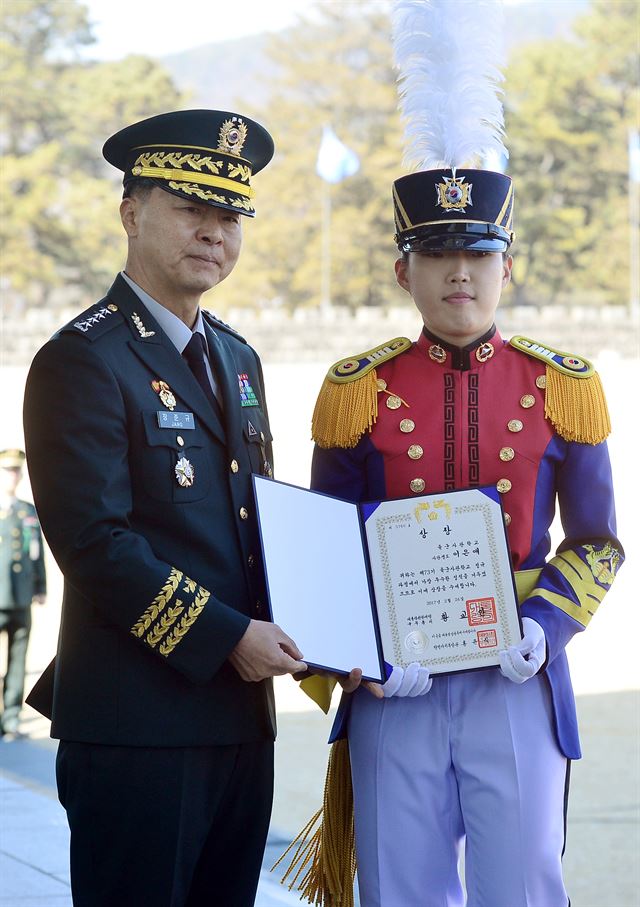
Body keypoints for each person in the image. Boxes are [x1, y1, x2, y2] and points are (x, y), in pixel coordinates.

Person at [299, 167, 624, 907]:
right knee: (398, 886)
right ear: (402, 268)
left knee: (523, 884)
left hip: (515, 669)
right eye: (438, 254)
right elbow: (324, 547)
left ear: (507, 266)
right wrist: (362, 650)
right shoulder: (358, 389)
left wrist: (544, 627)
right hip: (395, 679)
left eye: (478, 255)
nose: (459, 273)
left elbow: (598, 541)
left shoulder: (560, 384)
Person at [23, 109, 306, 907]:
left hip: (240, 719)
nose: (213, 232)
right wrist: (229, 638)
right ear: (130, 212)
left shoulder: (238, 358)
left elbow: (258, 527)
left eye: (229, 216)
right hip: (138, 723)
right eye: (191, 208)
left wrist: (323, 633)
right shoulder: (84, 357)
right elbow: (93, 541)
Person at [0, 448, 46, 737]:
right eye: (7, 470)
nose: (13, 476)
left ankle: (12, 718)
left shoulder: (27, 510)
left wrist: (40, 586)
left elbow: (35, 551)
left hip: (21, 596)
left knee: (18, 658)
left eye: (17, 470)